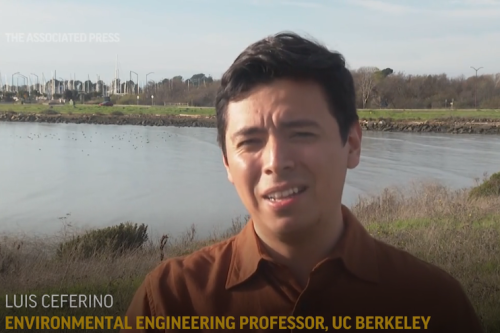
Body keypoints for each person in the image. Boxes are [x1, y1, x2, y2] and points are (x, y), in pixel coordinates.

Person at [122, 32, 483, 332]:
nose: (276, 163)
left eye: (303, 134)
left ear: (352, 145)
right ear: (227, 164)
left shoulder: (433, 303)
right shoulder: (172, 303)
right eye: (249, 142)